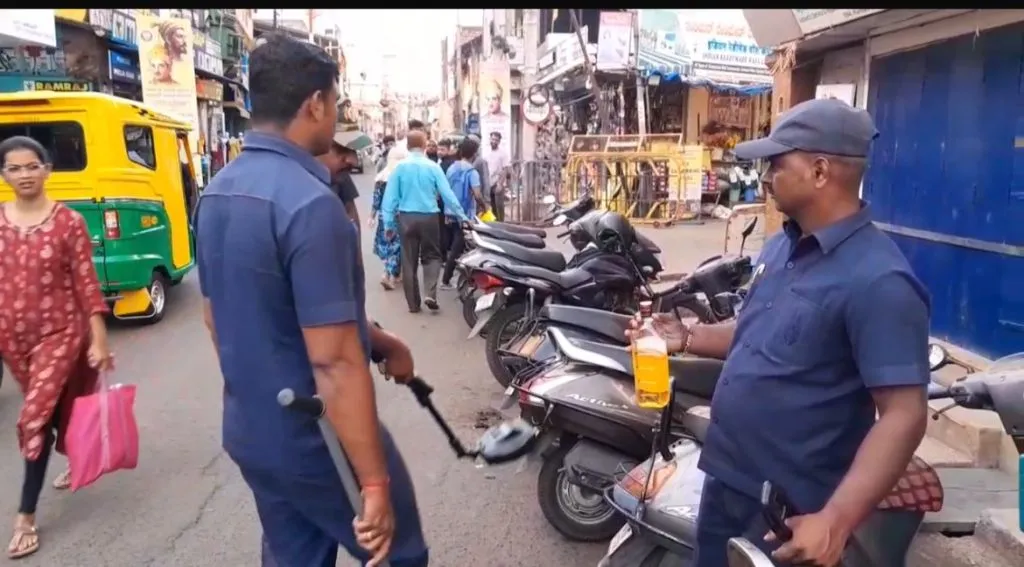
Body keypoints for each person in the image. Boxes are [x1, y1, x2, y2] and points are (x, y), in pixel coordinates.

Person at [628, 99, 931, 566]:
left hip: (787, 512)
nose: (765, 177)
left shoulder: (880, 280)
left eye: (776, 162)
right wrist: (686, 337)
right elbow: (758, 333)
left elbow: (904, 415)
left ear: (820, 170)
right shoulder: (781, 246)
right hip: (727, 477)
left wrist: (836, 519)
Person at [193, 35, 429, 567]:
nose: (335, 115)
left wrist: (382, 341)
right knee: (400, 553)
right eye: (336, 103)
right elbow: (333, 360)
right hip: (316, 440)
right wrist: (373, 482)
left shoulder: (218, 192)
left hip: (252, 429)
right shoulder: (311, 205)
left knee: (294, 555)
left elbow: (221, 318)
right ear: (315, 104)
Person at [0, 136, 113, 559]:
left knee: (33, 418)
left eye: (32, 166)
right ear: (4, 174)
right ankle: (72, 450)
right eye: (15, 168)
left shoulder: (68, 222)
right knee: (52, 409)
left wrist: (98, 337)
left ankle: (25, 517)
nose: (25, 174)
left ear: (47, 169)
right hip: (12, 338)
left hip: (61, 332)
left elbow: (86, 280)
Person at [380, 130, 469, 313]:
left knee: (408, 260)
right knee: (433, 256)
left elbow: (390, 199)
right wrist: (462, 215)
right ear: (423, 146)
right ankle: (430, 293)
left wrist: (388, 224)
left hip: (406, 217)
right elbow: (447, 194)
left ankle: (413, 304)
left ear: (407, 146)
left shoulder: (400, 168)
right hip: (429, 217)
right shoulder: (433, 167)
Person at [439, 137, 489, 290]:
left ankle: (458, 276)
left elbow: (445, 190)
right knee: (458, 247)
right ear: (474, 154)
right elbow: (477, 194)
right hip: (464, 214)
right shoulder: (471, 172)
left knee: (457, 245)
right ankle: (446, 280)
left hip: (450, 211)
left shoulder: (452, 168)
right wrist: (485, 207)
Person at [483, 131, 508, 221]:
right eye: (492, 139)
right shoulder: (485, 152)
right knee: (490, 205)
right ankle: (493, 225)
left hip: (497, 183)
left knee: (499, 206)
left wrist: (500, 184)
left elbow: (505, 169)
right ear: (490, 139)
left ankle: (501, 224)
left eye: (496, 140)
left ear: (499, 142)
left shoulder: (503, 154)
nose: (494, 141)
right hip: (488, 182)